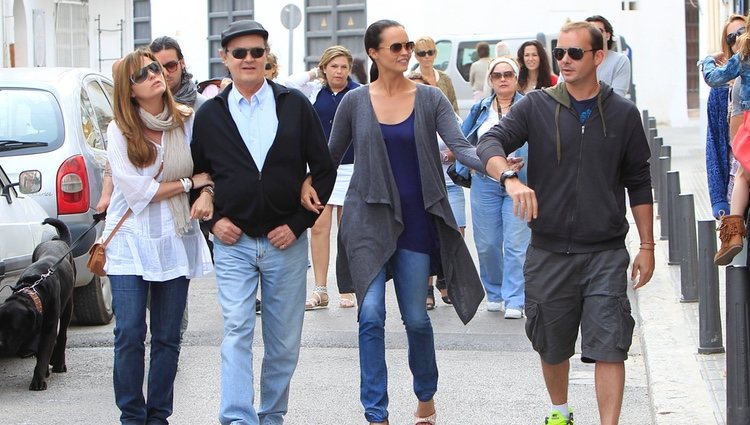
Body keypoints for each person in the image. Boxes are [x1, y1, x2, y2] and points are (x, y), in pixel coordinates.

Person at [477, 21, 654, 424]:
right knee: (551, 344)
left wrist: (646, 246)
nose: (565, 60)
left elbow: (639, 182)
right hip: (549, 249)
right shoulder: (536, 105)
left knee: (610, 345)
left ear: (598, 56)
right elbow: (488, 142)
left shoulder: (624, 114)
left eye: (575, 53)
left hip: (605, 251)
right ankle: (560, 413)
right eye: (560, 53)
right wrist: (509, 178)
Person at [311, 19, 485, 425]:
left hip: (417, 222)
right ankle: (376, 412)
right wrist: (298, 187)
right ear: (373, 53)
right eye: (396, 47)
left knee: (416, 318)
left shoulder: (429, 99)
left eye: (408, 45)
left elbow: (459, 145)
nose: (405, 52)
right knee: (370, 314)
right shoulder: (354, 102)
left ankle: (425, 394)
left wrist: (497, 168)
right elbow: (329, 157)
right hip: (367, 220)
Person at [190, 20, 336, 425]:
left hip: (285, 242)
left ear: (267, 57)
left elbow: (323, 170)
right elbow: (197, 177)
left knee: (284, 342)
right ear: (225, 59)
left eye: (257, 52)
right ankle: (238, 417)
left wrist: (298, 223)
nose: (249, 59)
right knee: (236, 330)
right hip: (232, 242)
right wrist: (214, 222)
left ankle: (271, 415)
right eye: (240, 53)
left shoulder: (294, 105)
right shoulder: (210, 115)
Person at [105, 48, 214, 424]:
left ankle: (159, 416)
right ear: (130, 90)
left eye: (156, 68)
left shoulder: (186, 121)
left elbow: (210, 171)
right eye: (142, 74)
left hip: (175, 237)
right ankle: (131, 416)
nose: (154, 74)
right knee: (130, 333)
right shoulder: (119, 128)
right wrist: (186, 182)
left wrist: (206, 190)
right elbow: (136, 193)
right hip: (129, 241)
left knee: (168, 337)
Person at [282, 45, 360, 310]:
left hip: (352, 168)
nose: (339, 71)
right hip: (321, 170)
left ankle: (347, 288)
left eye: (344, 67)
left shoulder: (359, 92)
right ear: (325, 68)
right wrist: (315, 72)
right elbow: (288, 84)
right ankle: (320, 289)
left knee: (348, 231)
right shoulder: (314, 91)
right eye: (333, 66)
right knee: (318, 227)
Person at [462, 57, 530, 319]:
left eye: (508, 74)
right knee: (487, 243)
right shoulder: (480, 109)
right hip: (485, 182)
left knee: (516, 243)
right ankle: (494, 291)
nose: (503, 79)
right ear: (490, 80)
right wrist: (474, 161)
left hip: (519, 182)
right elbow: (462, 139)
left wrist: (526, 158)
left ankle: (515, 297)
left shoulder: (529, 106)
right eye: (498, 75)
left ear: (516, 78)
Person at [408, 71, 467, 308]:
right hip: (420, 187)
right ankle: (426, 289)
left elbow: (463, 144)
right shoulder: (401, 116)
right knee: (425, 237)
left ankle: (447, 278)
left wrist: (441, 155)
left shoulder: (442, 111)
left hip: (449, 185)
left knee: (455, 234)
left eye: (420, 88)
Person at [701, 17, 750, 265]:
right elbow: (715, 146)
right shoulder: (723, 93)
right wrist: (719, 199)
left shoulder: (742, 59)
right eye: (731, 36)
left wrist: (707, 61)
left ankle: (732, 235)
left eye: (742, 32)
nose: (737, 38)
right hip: (736, 167)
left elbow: (711, 76)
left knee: (743, 172)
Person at [150, 36, 208, 111]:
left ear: (182, 63)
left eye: (171, 65)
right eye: (157, 67)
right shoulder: (143, 106)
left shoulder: (203, 106)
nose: (165, 73)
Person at [409, 35, 460, 113]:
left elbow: (454, 107)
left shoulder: (445, 79)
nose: (427, 56)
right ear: (416, 56)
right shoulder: (409, 81)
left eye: (430, 52)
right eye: (422, 53)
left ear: (435, 53)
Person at [584, 15, 631, 97]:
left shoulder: (620, 61)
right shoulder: (574, 58)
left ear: (608, 35)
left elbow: (617, 98)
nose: (594, 35)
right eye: (589, 32)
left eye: (598, 31)